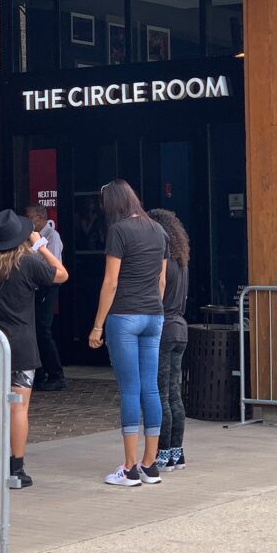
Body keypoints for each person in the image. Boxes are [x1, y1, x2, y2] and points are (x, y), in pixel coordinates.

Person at [0, 209, 67, 489]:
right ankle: (17, 468)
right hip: (22, 344)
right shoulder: (29, 263)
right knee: (19, 409)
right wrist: (41, 246)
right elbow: (61, 274)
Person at [89, 180, 167, 488]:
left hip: (124, 316)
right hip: (154, 316)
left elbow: (111, 282)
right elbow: (162, 282)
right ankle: (151, 464)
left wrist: (97, 325)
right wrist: (153, 307)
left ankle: (129, 467)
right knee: (151, 388)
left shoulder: (118, 231)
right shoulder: (159, 230)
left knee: (130, 389)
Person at [148, 208, 189, 473]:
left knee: (161, 393)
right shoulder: (182, 261)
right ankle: (177, 451)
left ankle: (162, 452)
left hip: (163, 328)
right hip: (180, 329)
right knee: (174, 393)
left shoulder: (162, 264)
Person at [25, 204, 66, 391]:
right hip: (34, 287)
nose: (28, 219)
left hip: (47, 287)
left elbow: (53, 265)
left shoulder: (51, 236)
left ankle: (56, 374)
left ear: (41, 218)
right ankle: (39, 374)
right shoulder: (28, 236)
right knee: (34, 330)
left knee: (43, 329)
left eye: (30, 216)